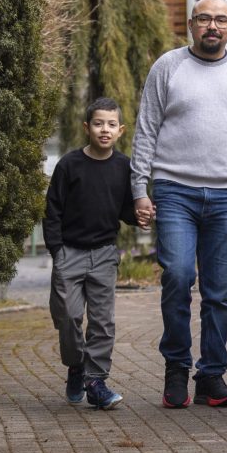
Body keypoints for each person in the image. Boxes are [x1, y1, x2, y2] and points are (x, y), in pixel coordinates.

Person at [131, 0, 227, 409]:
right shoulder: (167, 67)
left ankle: (212, 376)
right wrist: (138, 188)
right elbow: (145, 130)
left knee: (218, 292)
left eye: (220, 20)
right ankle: (177, 370)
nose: (212, 26)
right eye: (204, 19)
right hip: (174, 191)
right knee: (179, 277)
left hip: (226, 196)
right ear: (190, 24)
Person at [44, 97, 142, 410]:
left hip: (103, 255)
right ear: (87, 127)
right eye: (98, 123)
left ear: (121, 130)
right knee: (69, 317)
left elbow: (127, 209)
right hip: (69, 254)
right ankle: (76, 366)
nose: (105, 129)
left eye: (111, 124)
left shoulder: (125, 167)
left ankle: (95, 380)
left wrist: (140, 214)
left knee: (102, 323)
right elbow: (52, 211)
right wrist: (57, 251)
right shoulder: (69, 165)